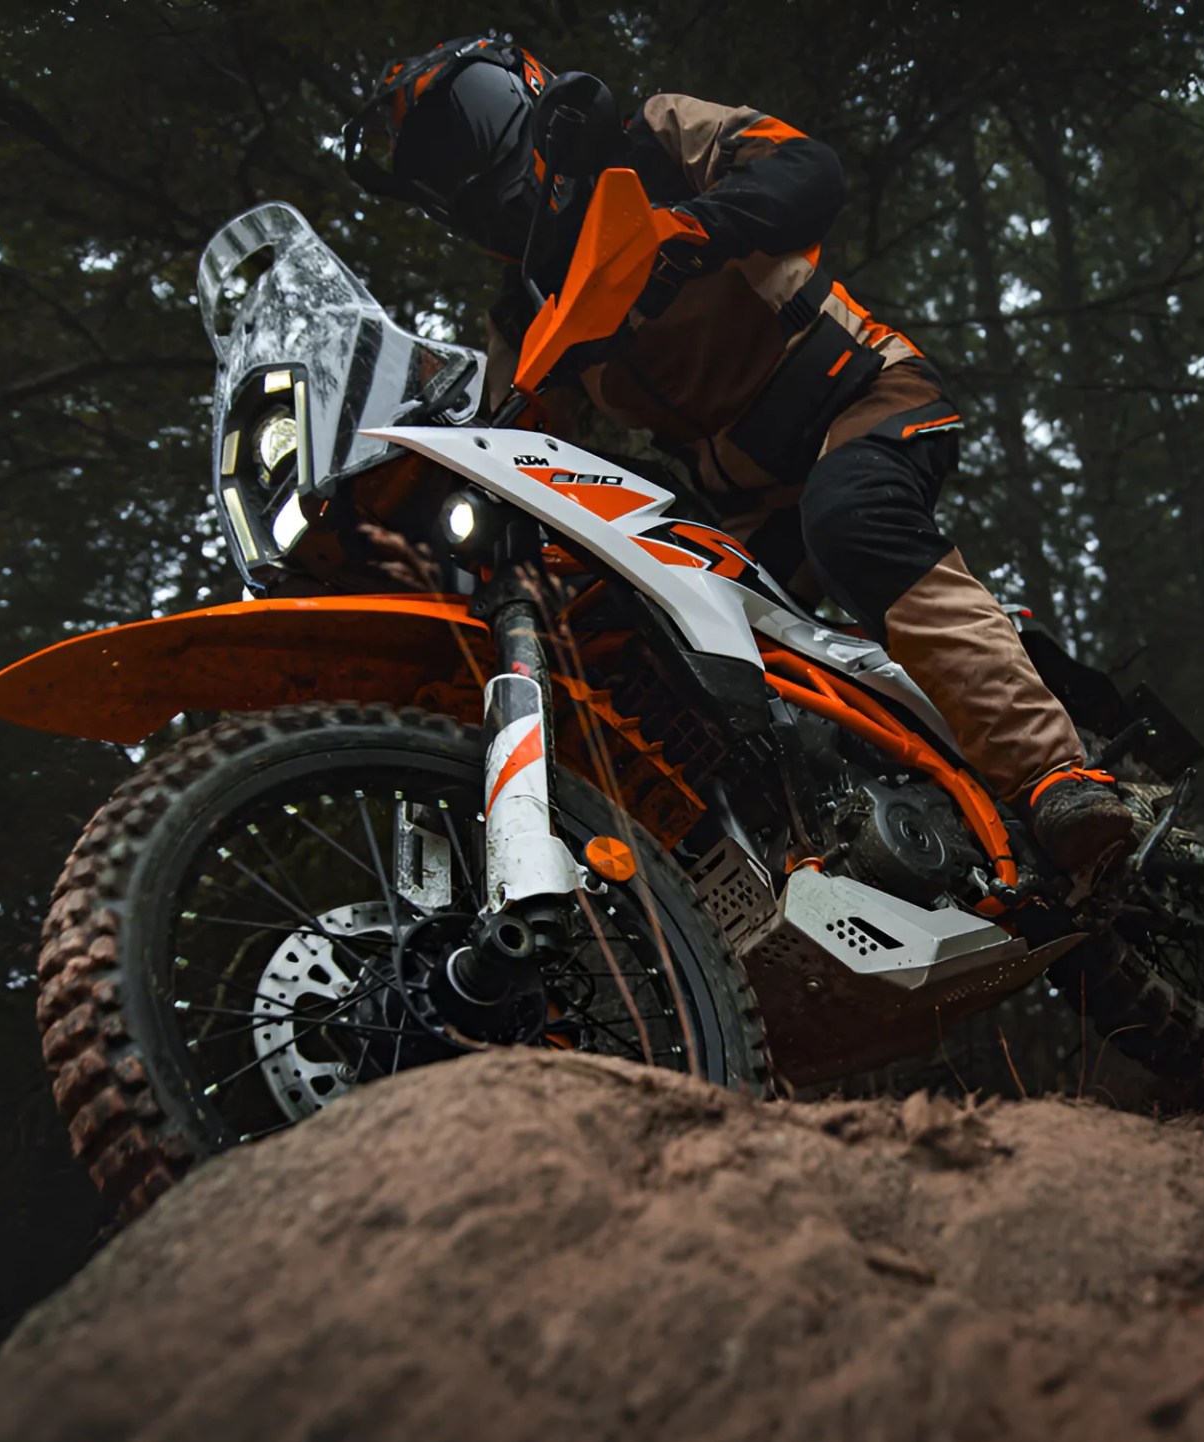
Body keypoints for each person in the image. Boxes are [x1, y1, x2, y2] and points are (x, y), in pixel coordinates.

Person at [344, 37, 1135, 875]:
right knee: (679, 648)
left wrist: (698, 226)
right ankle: (848, 856)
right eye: (434, 160)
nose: (459, 163)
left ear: (521, 92)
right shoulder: (525, 304)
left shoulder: (651, 140)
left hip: (864, 395)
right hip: (749, 505)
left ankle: (1055, 771)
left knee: (855, 518)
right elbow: (516, 438)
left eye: (462, 127)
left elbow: (804, 168)